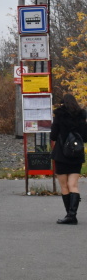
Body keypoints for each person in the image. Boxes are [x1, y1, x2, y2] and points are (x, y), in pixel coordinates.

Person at [50, 93, 87, 224]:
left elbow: (53, 136)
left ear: (63, 103)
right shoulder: (81, 117)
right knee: (73, 185)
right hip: (76, 155)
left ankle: (69, 216)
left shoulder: (59, 116)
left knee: (64, 186)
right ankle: (72, 215)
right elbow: (85, 137)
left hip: (61, 155)